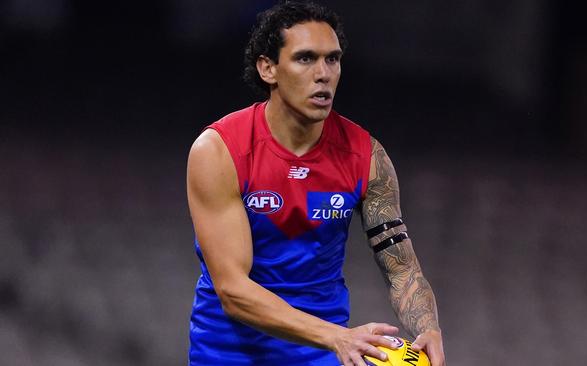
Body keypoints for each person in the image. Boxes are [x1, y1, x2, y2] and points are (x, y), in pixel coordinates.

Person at [186, 1, 445, 365]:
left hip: (321, 354)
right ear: (268, 68)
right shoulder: (220, 150)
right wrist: (336, 336)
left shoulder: (366, 157)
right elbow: (233, 291)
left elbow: (400, 265)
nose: (323, 74)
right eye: (306, 59)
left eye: (332, 59)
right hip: (229, 353)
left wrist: (428, 328)